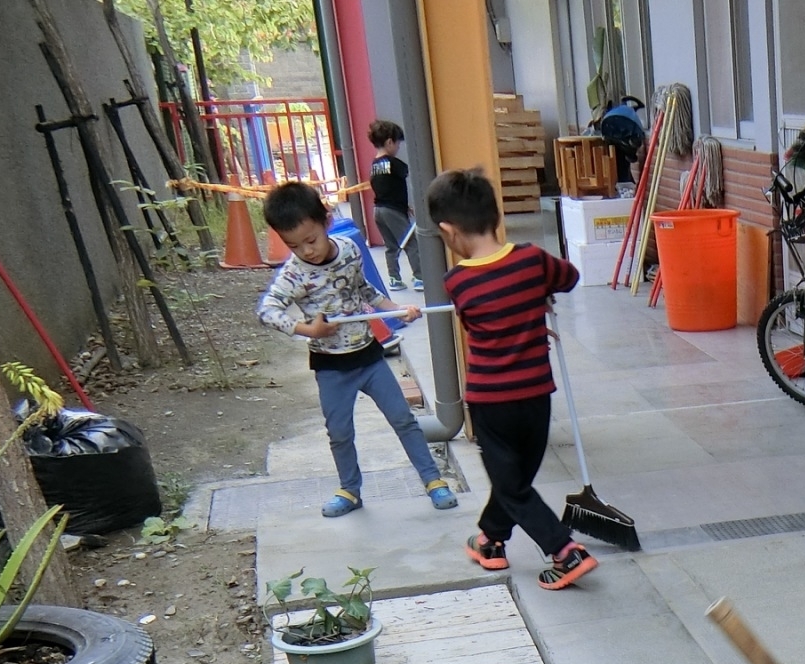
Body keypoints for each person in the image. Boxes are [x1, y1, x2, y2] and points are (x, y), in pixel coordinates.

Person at [426, 168, 598, 589]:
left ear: (449, 231)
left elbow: (481, 323)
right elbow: (570, 278)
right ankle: (491, 540)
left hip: (491, 403)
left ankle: (565, 551)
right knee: (515, 480)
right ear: (496, 216)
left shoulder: (457, 283)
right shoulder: (532, 260)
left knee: (512, 485)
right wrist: (539, 296)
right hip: (536, 396)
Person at [255, 181, 459, 518]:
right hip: (330, 367)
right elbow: (267, 311)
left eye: (311, 240)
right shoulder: (292, 275)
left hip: (368, 357)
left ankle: (433, 481)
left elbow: (365, 290)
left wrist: (398, 309)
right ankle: (350, 491)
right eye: (294, 245)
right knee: (340, 433)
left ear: (327, 221)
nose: (307, 251)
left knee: (404, 420)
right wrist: (310, 330)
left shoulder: (349, 249)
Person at [366, 120, 420, 291]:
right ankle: (420, 277)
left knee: (391, 246)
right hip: (393, 211)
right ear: (390, 142)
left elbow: (385, 187)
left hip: (378, 210)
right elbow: (404, 173)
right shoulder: (394, 163)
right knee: (411, 243)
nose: (398, 147)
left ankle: (394, 279)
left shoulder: (374, 165)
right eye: (397, 143)